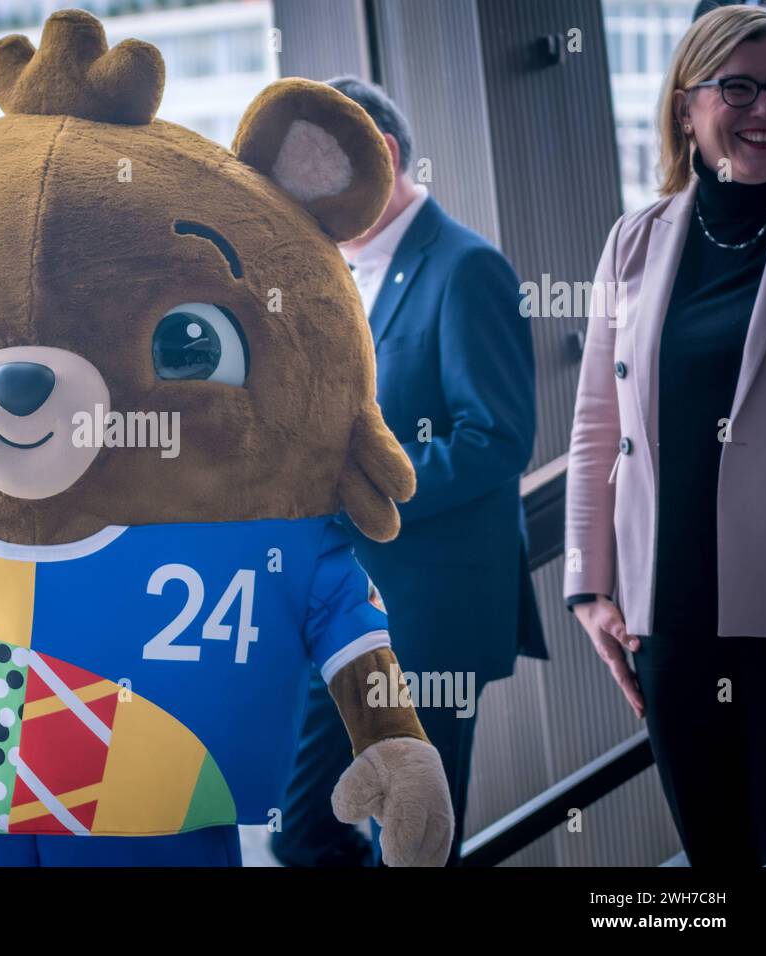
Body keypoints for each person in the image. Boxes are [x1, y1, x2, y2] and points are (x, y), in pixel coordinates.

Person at [272, 76, 544, 868]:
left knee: (416, 843)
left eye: (308, 171)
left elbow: (495, 438)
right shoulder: (337, 274)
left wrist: (359, 490)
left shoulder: (466, 267)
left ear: (382, 156)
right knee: (303, 828)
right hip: (346, 614)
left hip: (432, 613)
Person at [565, 4, 766, 866]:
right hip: (671, 621)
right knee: (715, 858)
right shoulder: (635, 241)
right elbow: (592, 430)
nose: (765, 108)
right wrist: (590, 590)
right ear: (687, 107)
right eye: (739, 87)